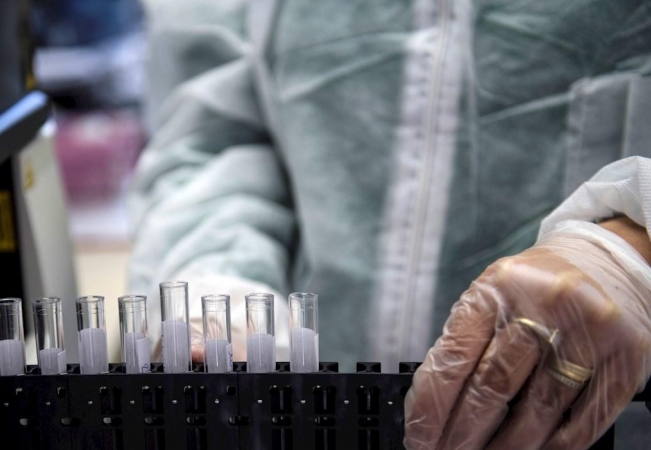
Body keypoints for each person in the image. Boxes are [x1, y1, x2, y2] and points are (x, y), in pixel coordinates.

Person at [127, 0, 651, 448]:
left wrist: (631, 250)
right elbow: (219, 128)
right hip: (311, 416)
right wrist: (220, 283)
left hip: (605, 422)